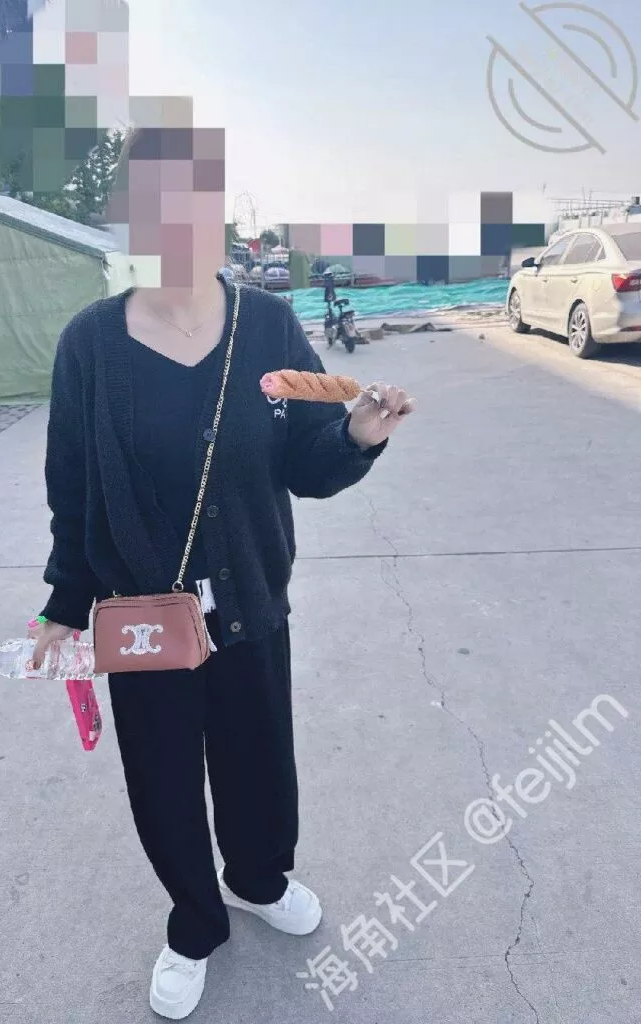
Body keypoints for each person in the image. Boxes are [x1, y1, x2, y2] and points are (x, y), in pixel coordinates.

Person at [31, 124, 416, 1020]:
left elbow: (308, 458)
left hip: (250, 597)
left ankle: (257, 878)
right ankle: (196, 922)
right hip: (140, 615)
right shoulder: (90, 345)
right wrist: (64, 602)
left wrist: (357, 436)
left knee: (258, 761)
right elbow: (71, 484)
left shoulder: (269, 326)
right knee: (163, 781)